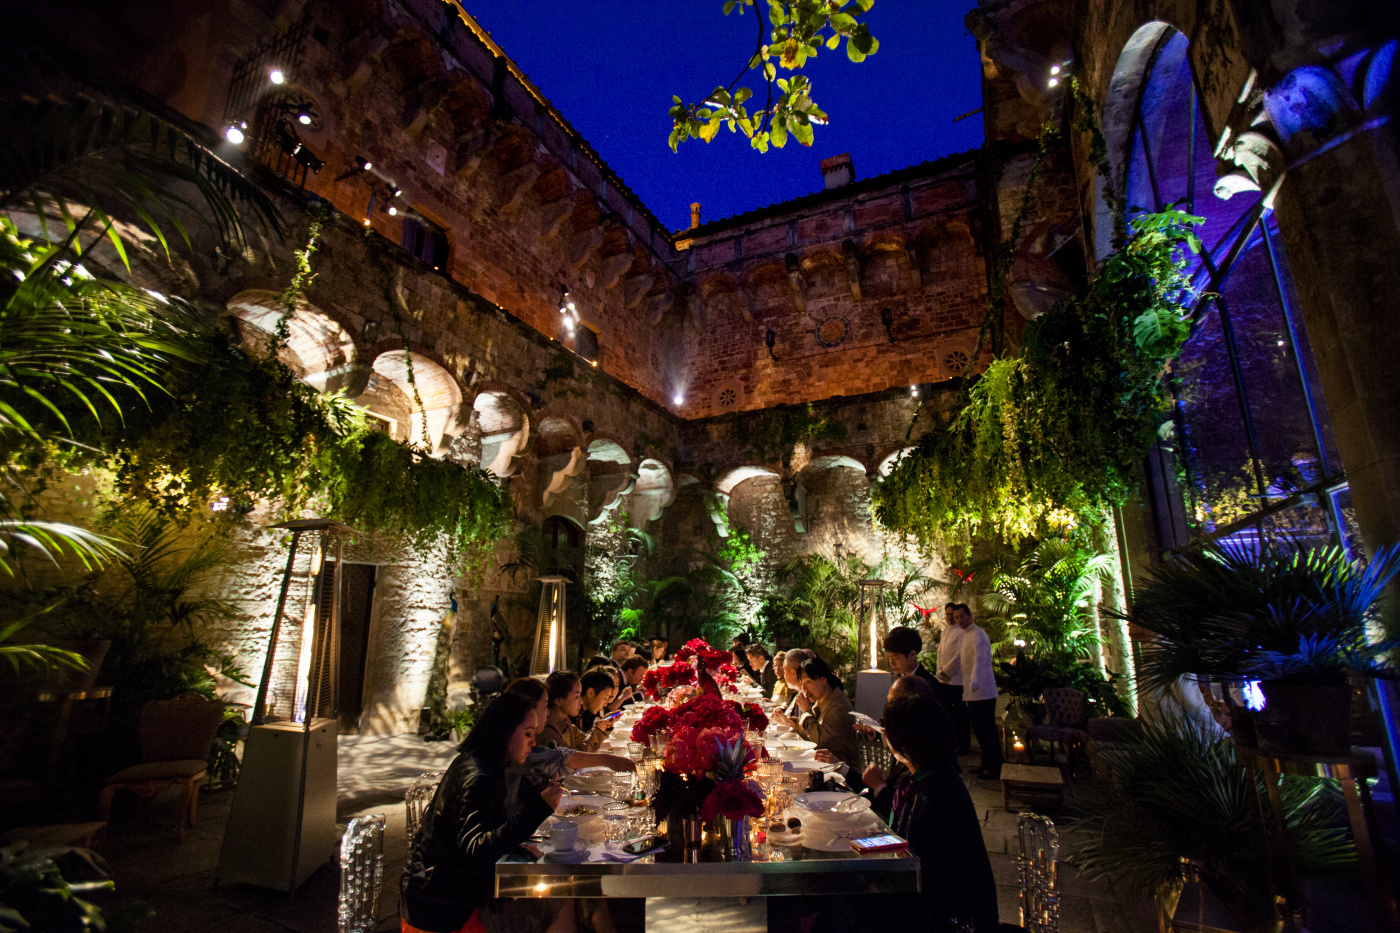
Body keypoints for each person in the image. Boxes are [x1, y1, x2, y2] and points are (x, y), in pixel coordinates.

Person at [401, 692, 570, 933]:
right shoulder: (479, 778)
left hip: (436, 893)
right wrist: (540, 809)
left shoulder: (480, 761)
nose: (533, 742)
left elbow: (477, 835)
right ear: (504, 731)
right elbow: (476, 851)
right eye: (528, 734)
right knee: (559, 901)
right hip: (445, 908)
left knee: (562, 893)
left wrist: (517, 847)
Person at [883, 692, 1000, 932]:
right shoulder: (925, 776)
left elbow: (926, 883)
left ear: (904, 743)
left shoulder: (937, 798)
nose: (884, 735)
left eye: (887, 731)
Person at [861, 675, 956, 817]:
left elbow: (901, 815)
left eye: (893, 703)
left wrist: (879, 786)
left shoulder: (932, 789)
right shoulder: (921, 760)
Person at [955, 604, 1002, 778]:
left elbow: (979, 660)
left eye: (961, 616)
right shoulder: (966, 635)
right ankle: (987, 763)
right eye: (956, 618)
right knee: (980, 730)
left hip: (983, 691)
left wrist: (974, 680)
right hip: (972, 691)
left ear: (970, 615)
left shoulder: (979, 635)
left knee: (987, 730)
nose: (959, 620)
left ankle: (995, 767)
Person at [793, 656, 861, 770]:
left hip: (842, 772)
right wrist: (793, 724)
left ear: (823, 680)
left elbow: (820, 741)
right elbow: (811, 733)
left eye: (808, 681)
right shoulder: (822, 699)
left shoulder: (839, 706)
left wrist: (807, 711)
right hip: (823, 764)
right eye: (802, 683)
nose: (804, 688)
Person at [538, 671, 610, 751]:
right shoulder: (548, 727)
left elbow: (584, 739)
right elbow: (574, 758)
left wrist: (602, 727)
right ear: (558, 701)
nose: (581, 701)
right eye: (576, 697)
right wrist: (598, 730)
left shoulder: (565, 719)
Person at [934, 603, 970, 755]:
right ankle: (952, 742)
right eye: (947, 615)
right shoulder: (946, 631)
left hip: (956, 680)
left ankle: (963, 744)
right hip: (943, 680)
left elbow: (958, 655)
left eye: (952, 615)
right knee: (947, 713)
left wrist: (946, 670)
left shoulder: (961, 632)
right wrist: (939, 671)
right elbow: (940, 653)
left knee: (960, 714)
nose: (949, 618)